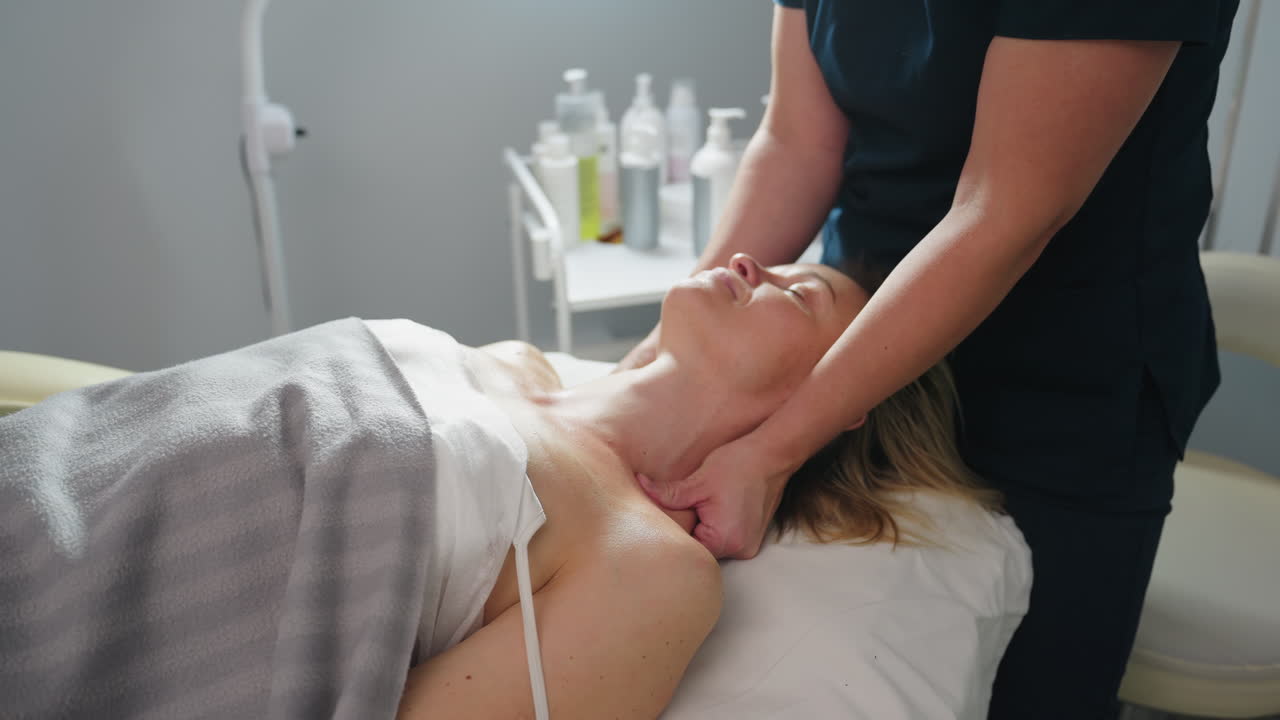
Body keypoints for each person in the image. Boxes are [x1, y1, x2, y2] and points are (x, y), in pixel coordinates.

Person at [4, 257, 998, 718]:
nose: (752, 258)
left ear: (841, 402)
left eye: (801, 290)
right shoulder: (513, 361)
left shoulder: (648, 566)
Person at [617, 3, 1237, 718]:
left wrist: (773, 450)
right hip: (850, 349)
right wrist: (660, 353)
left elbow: (1004, 208)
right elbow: (796, 143)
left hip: (1059, 386)